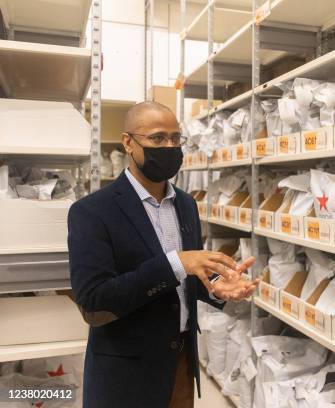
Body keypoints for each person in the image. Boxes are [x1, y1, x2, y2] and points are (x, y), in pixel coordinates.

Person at [68, 101, 258, 408]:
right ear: (128, 143)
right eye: (157, 138)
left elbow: (183, 282)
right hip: (126, 374)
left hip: (181, 365)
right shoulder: (92, 212)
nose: (169, 147)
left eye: (175, 138)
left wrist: (215, 288)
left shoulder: (185, 205)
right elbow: (93, 302)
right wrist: (177, 263)